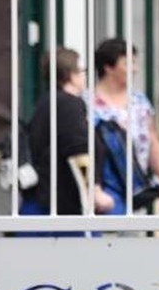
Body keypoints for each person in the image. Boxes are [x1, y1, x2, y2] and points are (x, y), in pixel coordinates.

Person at [20, 48, 113, 219]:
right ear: (71, 75)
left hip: (42, 203)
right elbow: (78, 151)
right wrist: (94, 192)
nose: (85, 76)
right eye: (82, 71)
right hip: (62, 210)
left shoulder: (47, 102)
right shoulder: (68, 105)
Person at [90, 38, 159, 214]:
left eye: (135, 63)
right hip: (104, 189)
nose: (135, 69)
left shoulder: (139, 101)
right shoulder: (87, 103)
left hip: (136, 188)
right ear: (108, 67)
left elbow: (152, 140)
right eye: (127, 63)